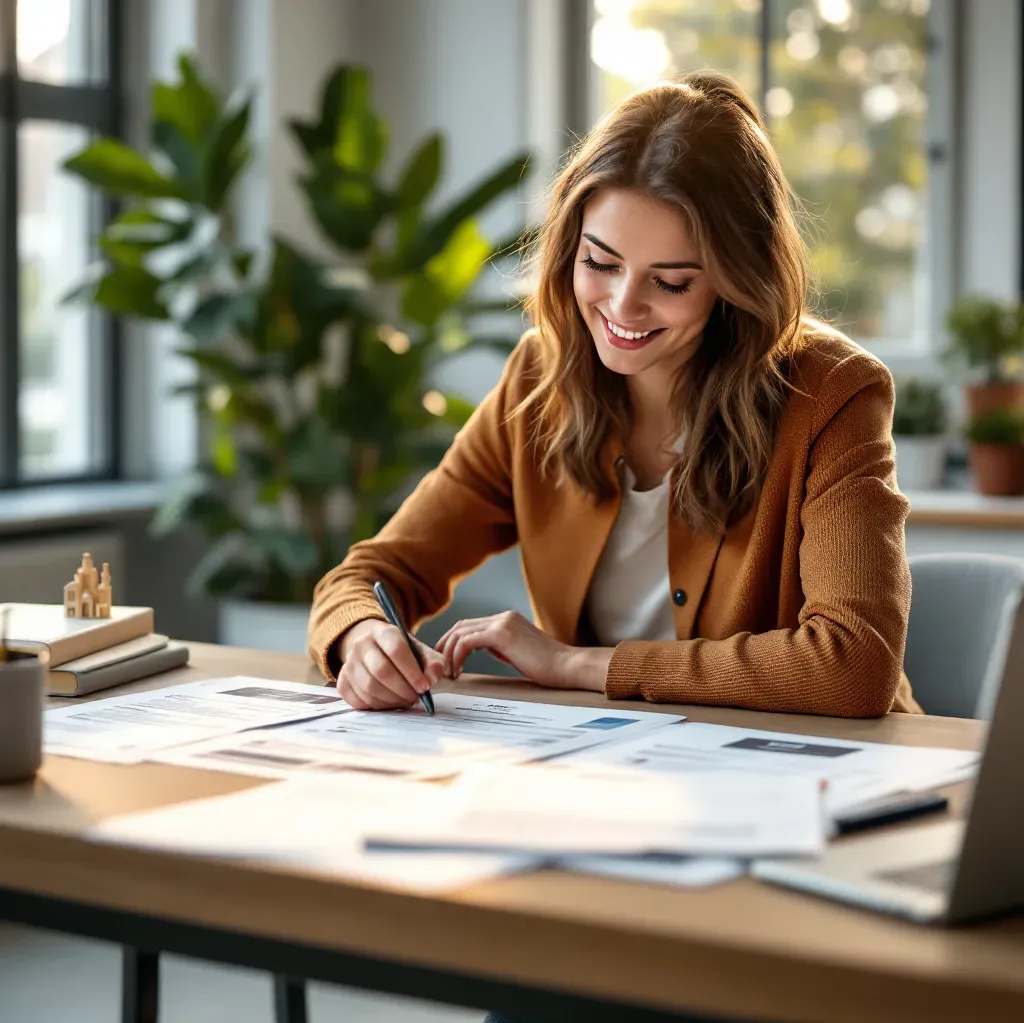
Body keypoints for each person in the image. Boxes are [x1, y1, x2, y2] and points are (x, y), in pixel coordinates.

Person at [307, 69, 921, 723]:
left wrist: (576, 665)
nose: (623, 306)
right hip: (609, 761)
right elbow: (369, 575)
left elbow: (852, 665)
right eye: (600, 263)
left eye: (672, 282)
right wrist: (360, 637)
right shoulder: (537, 381)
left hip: (822, 767)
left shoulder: (831, 395)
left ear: (735, 279)